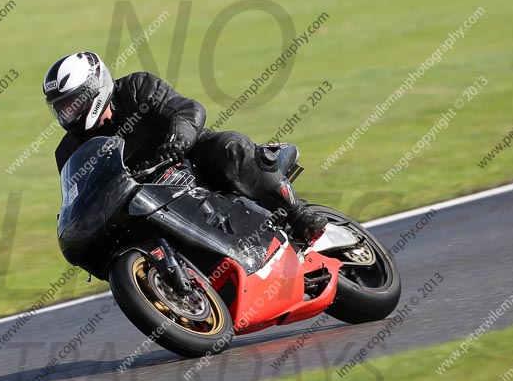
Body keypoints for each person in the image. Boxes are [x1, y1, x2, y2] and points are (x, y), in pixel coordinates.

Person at [44, 51, 326, 244]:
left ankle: (298, 213)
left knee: (230, 147)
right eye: (62, 108)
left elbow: (186, 110)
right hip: (142, 198)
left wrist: (176, 141)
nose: (69, 113)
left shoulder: (136, 87)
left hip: (191, 159)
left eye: (73, 102)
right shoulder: (68, 150)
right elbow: (79, 193)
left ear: (96, 86)